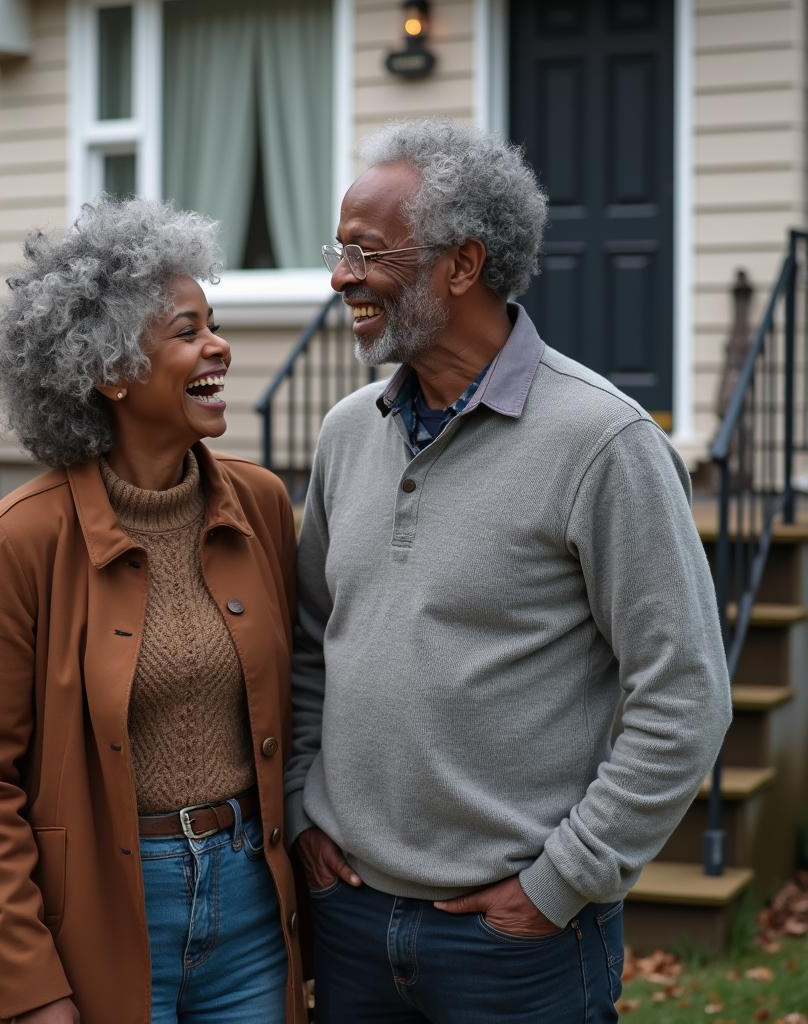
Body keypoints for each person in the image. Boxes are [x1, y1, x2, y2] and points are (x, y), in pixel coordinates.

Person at [284, 119, 732, 1023]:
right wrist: (301, 804)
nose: (341, 278)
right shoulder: (343, 434)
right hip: (352, 922)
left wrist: (565, 879)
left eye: (367, 253)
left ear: (462, 264)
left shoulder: (603, 442)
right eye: (338, 251)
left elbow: (684, 695)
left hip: (515, 948)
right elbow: (307, 649)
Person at [0, 197, 304, 1024]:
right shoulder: (17, 541)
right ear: (109, 371)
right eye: (186, 331)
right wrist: (31, 990)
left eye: (214, 323)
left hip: (251, 913)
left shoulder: (263, 506)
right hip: (97, 920)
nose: (219, 348)